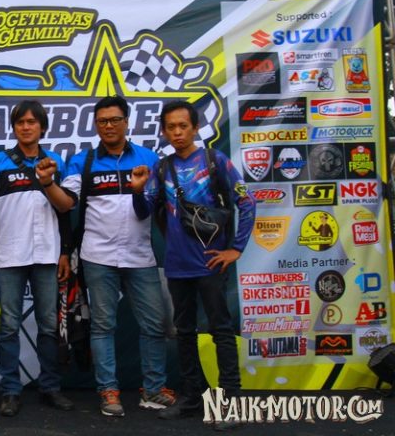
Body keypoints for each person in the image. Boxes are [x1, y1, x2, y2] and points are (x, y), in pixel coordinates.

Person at [39, 95, 173, 417]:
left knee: (155, 325)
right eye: (102, 121)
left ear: (127, 122)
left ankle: (153, 389)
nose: (109, 126)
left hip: (141, 256)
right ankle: (108, 391)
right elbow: (65, 204)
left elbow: (161, 205)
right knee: (102, 327)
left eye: (115, 120)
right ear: (96, 125)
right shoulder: (82, 162)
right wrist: (46, 183)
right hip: (98, 256)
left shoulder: (149, 158)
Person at [130, 100, 256, 424]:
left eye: (182, 126)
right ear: (164, 131)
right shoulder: (162, 168)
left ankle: (231, 404)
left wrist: (236, 249)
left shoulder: (216, 161)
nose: (177, 132)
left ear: (195, 128)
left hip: (210, 264)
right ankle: (191, 400)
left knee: (221, 331)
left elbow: (247, 201)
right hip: (177, 266)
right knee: (184, 332)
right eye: (171, 127)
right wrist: (137, 191)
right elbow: (143, 212)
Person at [0, 100, 74, 417]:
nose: (26, 127)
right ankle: (10, 391)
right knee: (10, 325)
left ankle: (50, 387)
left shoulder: (55, 161)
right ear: (13, 128)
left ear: (42, 127)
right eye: (20, 122)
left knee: (48, 325)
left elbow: (65, 209)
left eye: (31, 122)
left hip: (47, 253)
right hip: (10, 254)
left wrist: (65, 251)